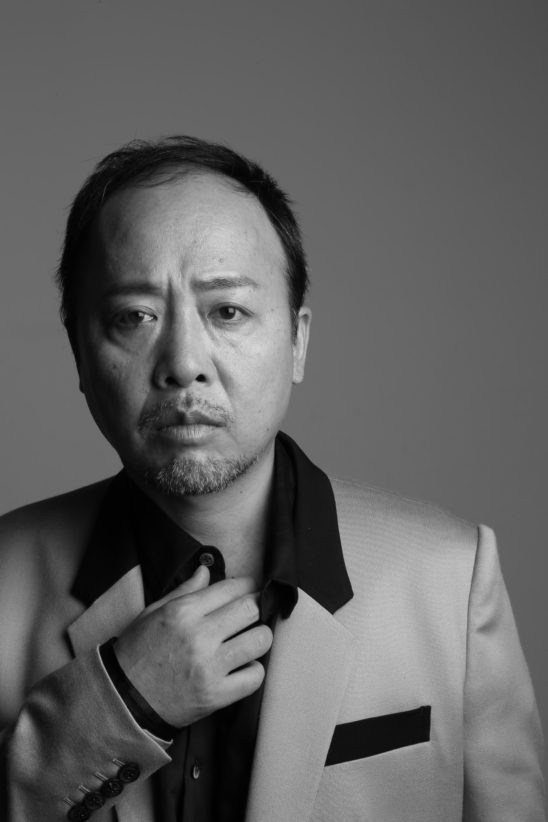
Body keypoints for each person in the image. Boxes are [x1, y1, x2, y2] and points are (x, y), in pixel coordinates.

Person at [0, 136, 544, 822]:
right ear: (79, 351)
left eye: (227, 311)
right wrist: (120, 705)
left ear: (297, 340)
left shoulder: (448, 579)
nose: (184, 363)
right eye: (134, 317)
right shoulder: (4, 582)